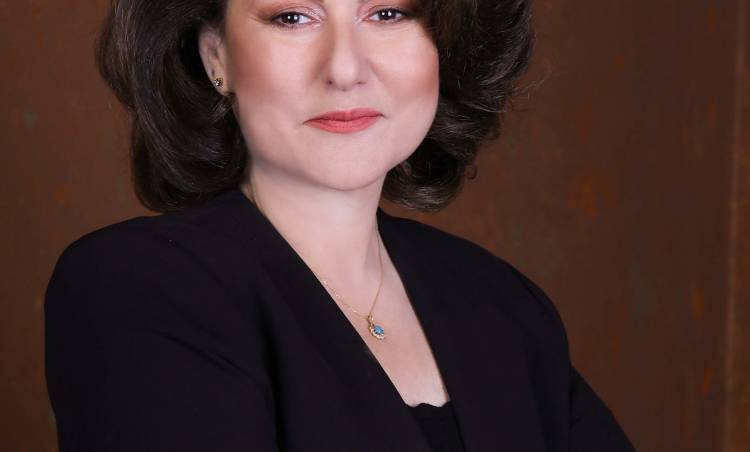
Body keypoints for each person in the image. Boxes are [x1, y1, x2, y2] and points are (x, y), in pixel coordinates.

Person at [44, 0, 636, 451]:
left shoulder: (503, 303)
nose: (346, 69)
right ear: (215, 56)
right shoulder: (137, 288)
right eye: (293, 17)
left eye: (387, 13)